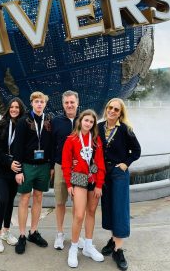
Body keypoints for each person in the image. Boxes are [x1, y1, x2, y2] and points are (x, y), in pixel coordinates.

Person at [98, 98, 141, 271]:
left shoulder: (125, 129)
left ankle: (118, 250)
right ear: (106, 108)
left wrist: (125, 163)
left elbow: (136, 151)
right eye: (110, 107)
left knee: (120, 209)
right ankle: (113, 239)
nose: (112, 111)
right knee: (108, 207)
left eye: (116, 109)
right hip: (103, 173)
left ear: (120, 113)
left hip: (118, 174)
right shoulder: (99, 127)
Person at [62, 109, 106, 268]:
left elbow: (100, 163)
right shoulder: (71, 139)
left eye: (91, 121)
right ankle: (74, 248)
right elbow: (66, 164)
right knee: (79, 215)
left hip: (94, 179)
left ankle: (88, 246)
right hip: (79, 179)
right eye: (86, 120)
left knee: (92, 212)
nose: (88, 123)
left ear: (94, 124)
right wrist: (68, 184)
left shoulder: (96, 140)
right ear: (80, 121)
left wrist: (100, 184)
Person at [13, 91, 53, 255]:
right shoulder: (23, 121)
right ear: (31, 103)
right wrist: (19, 170)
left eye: (42, 102)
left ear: (45, 104)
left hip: (43, 165)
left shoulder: (49, 121)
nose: (39, 104)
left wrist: (50, 166)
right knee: (24, 198)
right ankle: (22, 234)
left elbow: (51, 144)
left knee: (38, 197)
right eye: (36, 101)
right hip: (28, 165)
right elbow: (17, 145)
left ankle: (33, 232)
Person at [0, 97, 26, 253]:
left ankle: (6, 231)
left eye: (17, 107)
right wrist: (8, 162)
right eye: (12, 107)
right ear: (8, 109)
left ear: (21, 110)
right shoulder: (1, 125)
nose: (14, 110)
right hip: (0, 169)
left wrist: (18, 167)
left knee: (10, 201)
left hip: (14, 170)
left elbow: (24, 150)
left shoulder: (22, 126)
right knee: (2, 200)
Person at [51, 90, 84, 250]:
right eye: (66, 103)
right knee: (60, 202)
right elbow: (51, 145)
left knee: (77, 205)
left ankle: (76, 235)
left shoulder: (85, 120)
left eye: (72, 102)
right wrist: (51, 166)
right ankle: (59, 234)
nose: (69, 105)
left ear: (77, 103)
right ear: (63, 104)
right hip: (60, 167)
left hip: (79, 169)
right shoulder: (56, 121)